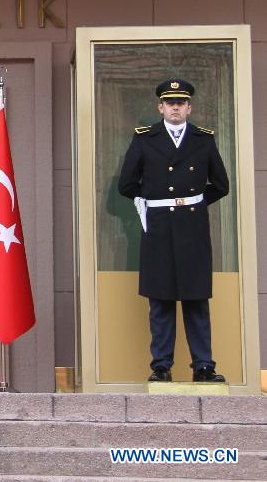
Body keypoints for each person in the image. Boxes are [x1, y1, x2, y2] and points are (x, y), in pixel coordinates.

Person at [118, 78, 229, 383]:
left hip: (192, 226)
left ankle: (204, 365)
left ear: (189, 108)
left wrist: (193, 202)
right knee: (161, 298)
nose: (175, 107)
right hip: (158, 227)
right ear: (161, 107)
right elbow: (126, 184)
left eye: (181, 103)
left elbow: (221, 185)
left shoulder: (203, 139)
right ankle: (161, 365)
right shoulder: (144, 138)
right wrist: (153, 200)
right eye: (170, 103)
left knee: (195, 299)